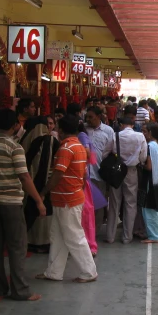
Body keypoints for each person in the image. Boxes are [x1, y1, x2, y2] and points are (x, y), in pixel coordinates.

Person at [0, 109, 45, 301]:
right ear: (15, 125)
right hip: (11, 203)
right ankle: (20, 290)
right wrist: (39, 201)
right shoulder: (14, 147)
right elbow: (24, 176)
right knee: (17, 247)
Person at [36, 114, 98, 282]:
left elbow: (57, 175)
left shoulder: (66, 148)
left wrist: (43, 191)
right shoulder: (78, 147)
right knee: (58, 236)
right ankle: (54, 272)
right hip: (69, 198)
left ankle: (89, 272)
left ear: (61, 130)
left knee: (73, 236)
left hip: (66, 200)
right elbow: (84, 176)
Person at [21, 116, 60, 253]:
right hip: (43, 183)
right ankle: (42, 242)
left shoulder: (24, 140)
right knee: (44, 210)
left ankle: (30, 240)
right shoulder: (48, 140)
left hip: (26, 184)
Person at [107, 114, 147, 244]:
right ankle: (127, 237)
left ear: (122, 125)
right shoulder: (140, 136)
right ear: (132, 125)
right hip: (131, 171)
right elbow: (143, 157)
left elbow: (107, 152)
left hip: (116, 171)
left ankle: (110, 236)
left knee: (114, 203)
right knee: (131, 203)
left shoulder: (115, 135)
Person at [77, 121, 106, 257]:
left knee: (87, 212)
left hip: (84, 179)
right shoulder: (84, 135)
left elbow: (87, 153)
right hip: (85, 177)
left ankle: (89, 244)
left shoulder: (81, 136)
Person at [85, 105, 115, 229]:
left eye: (91, 117)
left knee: (99, 203)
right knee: (85, 204)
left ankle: (95, 230)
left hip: (100, 173)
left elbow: (112, 151)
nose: (88, 120)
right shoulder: (84, 130)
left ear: (98, 117)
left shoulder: (108, 131)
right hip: (85, 173)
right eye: (87, 117)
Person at [140, 122, 158, 244]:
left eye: (145, 131)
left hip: (150, 181)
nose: (143, 134)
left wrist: (141, 164)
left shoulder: (150, 146)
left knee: (148, 209)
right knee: (154, 209)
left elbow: (149, 167)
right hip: (157, 181)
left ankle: (153, 236)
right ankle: (154, 234)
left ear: (150, 133)